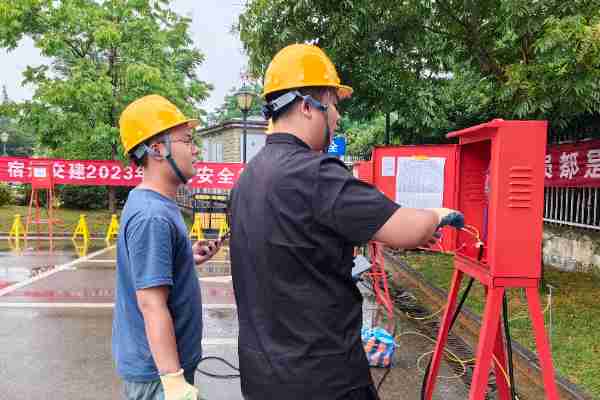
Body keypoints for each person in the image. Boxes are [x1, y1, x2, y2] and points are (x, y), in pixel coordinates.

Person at [228, 44, 462, 400]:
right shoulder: (316, 173)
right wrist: (439, 215)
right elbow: (409, 228)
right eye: (333, 104)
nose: (337, 117)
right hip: (323, 379)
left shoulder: (248, 178)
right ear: (307, 107)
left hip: (263, 377)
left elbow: (299, 238)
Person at [113, 94, 220, 400]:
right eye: (187, 140)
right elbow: (152, 304)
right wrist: (173, 381)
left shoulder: (155, 202)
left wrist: (187, 256)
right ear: (158, 149)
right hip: (158, 374)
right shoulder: (152, 216)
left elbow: (152, 269)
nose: (196, 149)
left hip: (161, 367)